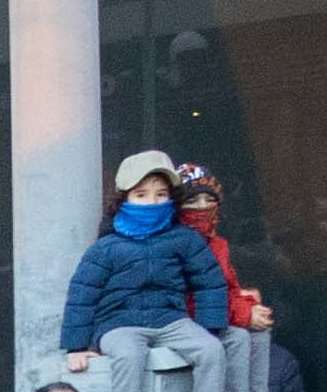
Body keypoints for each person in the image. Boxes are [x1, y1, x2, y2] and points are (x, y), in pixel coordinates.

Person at [56, 146, 228, 356]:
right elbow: (82, 296)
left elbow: (209, 282)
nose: (152, 202)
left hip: (172, 322)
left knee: (211, 350)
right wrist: (76, 348)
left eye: (161, 194)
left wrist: (209, 329)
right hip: (118, 325)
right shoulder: (106, 247)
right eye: (141, 195)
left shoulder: (184, 239)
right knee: (130, 354)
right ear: (124, 198)